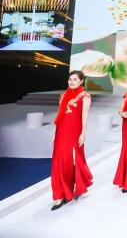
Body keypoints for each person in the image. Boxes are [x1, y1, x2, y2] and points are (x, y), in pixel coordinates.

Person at [50, 70, 93, 211]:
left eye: (75, 79)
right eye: (70, 79)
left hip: (74, 133)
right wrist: (55, 136)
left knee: (73, 161)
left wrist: (83, 134)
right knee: (58, 163)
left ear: (81, 81)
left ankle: (75, 187)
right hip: (61, 133)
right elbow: (60, 116)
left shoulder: (85, 96)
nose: (72, 82)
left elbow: (84, 117)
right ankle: (60, 195)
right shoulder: (63, 96)